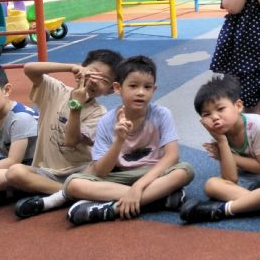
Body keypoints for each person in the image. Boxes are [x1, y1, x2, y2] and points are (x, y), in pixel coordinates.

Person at [63, 56, 195, 225]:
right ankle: (159, 199)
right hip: (121, 176)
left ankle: (113, 208)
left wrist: (138, 187)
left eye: (147, 87)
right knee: (73, 184)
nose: (141, 92)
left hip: (153, 173)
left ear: (154, 89)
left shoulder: (162, 114)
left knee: (185, 171)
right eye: (133, 86)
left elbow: (172, 156)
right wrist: (119, 140)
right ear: (118, 88)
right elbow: (101, 171)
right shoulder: (106, 121)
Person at [5, 50, 123, 218]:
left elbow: (71, 141)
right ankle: (68, 193)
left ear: (110, 90)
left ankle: (63, 194)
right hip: (47, 171)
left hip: (79, 171)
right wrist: (70, 67)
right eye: (92, 72)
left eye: (104, 80)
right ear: (82, 69)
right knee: (13, 173)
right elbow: (29, 68)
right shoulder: (56, 90)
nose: (94, 81)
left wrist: (76, 105)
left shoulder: (99, 113)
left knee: (96, 168)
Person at [180, 74, 260, 223]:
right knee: (211, 185)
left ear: (238, 106)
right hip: (246, 176)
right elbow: (230, 178)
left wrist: (226, 156)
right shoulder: (220, 135)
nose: (215, 117)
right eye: (207, 114)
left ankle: (222, 210)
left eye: (220, 109)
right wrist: (222, 142)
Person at [0, 60, 39, 215]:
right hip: (13, 166)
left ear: (6, 90)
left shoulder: (20, 118)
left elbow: (13, 161)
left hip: (37, 167)